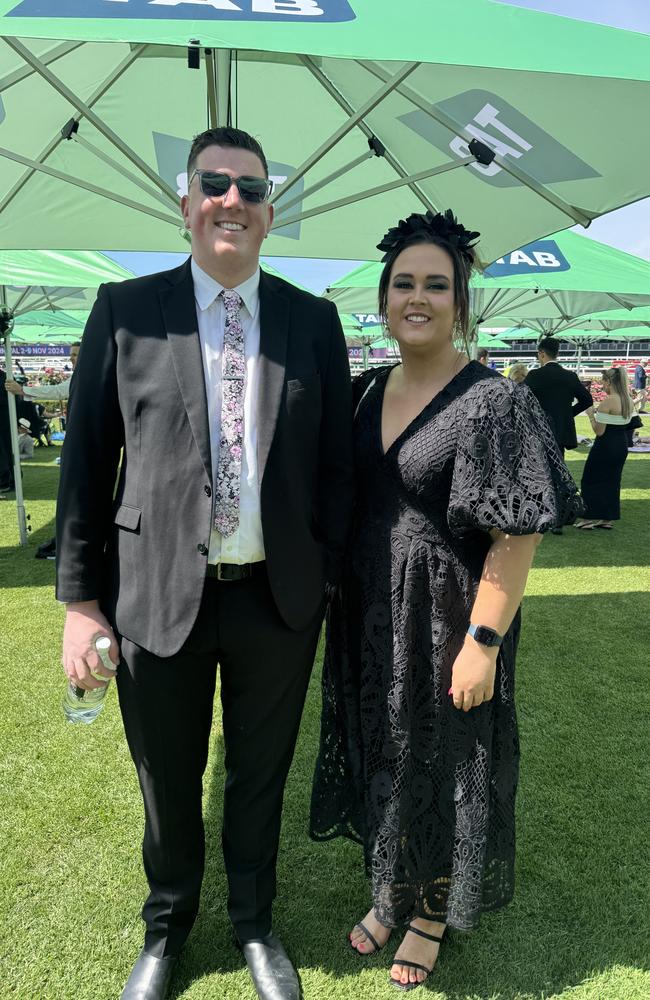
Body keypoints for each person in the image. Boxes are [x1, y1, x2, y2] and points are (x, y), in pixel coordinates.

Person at [55, 126, 354, 1000]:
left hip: (278, 599)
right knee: (166, 780)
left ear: (270, 212)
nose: (232, 200)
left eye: (251, 188)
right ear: (185, 204)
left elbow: (336, 466)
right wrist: (81, 603)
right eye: (214, 184)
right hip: (153, 596)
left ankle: (256, 925)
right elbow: (85, 468)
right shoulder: (123, 309)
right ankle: (167, 927)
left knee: (259, 773)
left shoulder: (314, 320)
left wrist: (324, 574)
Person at [310, 209, 581, 991]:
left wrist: (483, 641)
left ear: (461, 302)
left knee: (446, 756)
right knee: (382, 744)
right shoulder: (365, 393)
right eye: (404, 284)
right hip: (368, 612)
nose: (417, 297)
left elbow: (517, 534)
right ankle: (390, 889)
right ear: (384, 297)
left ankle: (429, 912)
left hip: (450, 614)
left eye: (437, 284)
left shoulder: (494, 403)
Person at [524, 336, 592, 535]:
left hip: (538, 432)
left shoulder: (535, 375)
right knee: (559, 474)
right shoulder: (569, 376)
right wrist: (567, 414)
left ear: (542, 353)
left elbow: (522, 401)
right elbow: (586, 399)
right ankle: (558, 520)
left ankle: (539, 515)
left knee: (538, 473)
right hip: (560, 433)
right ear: (558, 354)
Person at [575, 367, 634, 530]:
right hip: (621, 444)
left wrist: (590, 415)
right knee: (612, 480)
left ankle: (587, 518)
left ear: (609, 382)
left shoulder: (608, 401)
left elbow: (599, 431)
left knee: (590, 478)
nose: (602, 386)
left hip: (605, 444)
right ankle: (607, 517)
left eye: (603, 382)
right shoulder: (628, 399)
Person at [4, 342, 80, 403]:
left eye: (75, 355)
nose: (70, 358)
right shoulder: (80, 375)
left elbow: (58, 391)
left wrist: (22, 390)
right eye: (70, 355)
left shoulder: (83, 376)